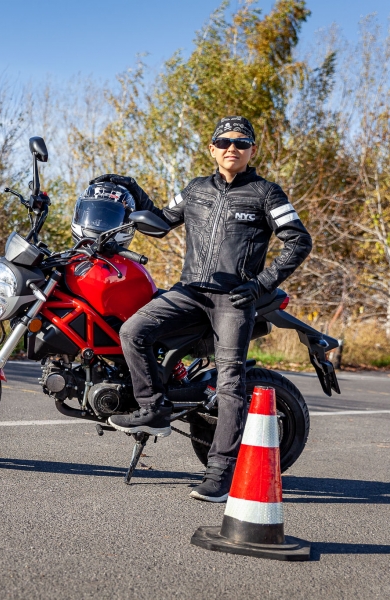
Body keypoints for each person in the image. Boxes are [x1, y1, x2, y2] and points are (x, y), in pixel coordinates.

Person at [92, 116, 313, 502]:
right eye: (224, 142)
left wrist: (260, 284)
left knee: (230, 383)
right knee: (133, 331)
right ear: (212, 149)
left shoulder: (266, 193)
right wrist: (132, 189)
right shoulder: (195, 190)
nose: (232, 148)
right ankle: (154, 409)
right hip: (189, 292)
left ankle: (220, 473)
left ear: (252, 151)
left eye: (241, 142)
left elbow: (299, 240)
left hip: (234, 299)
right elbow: (160, 223)